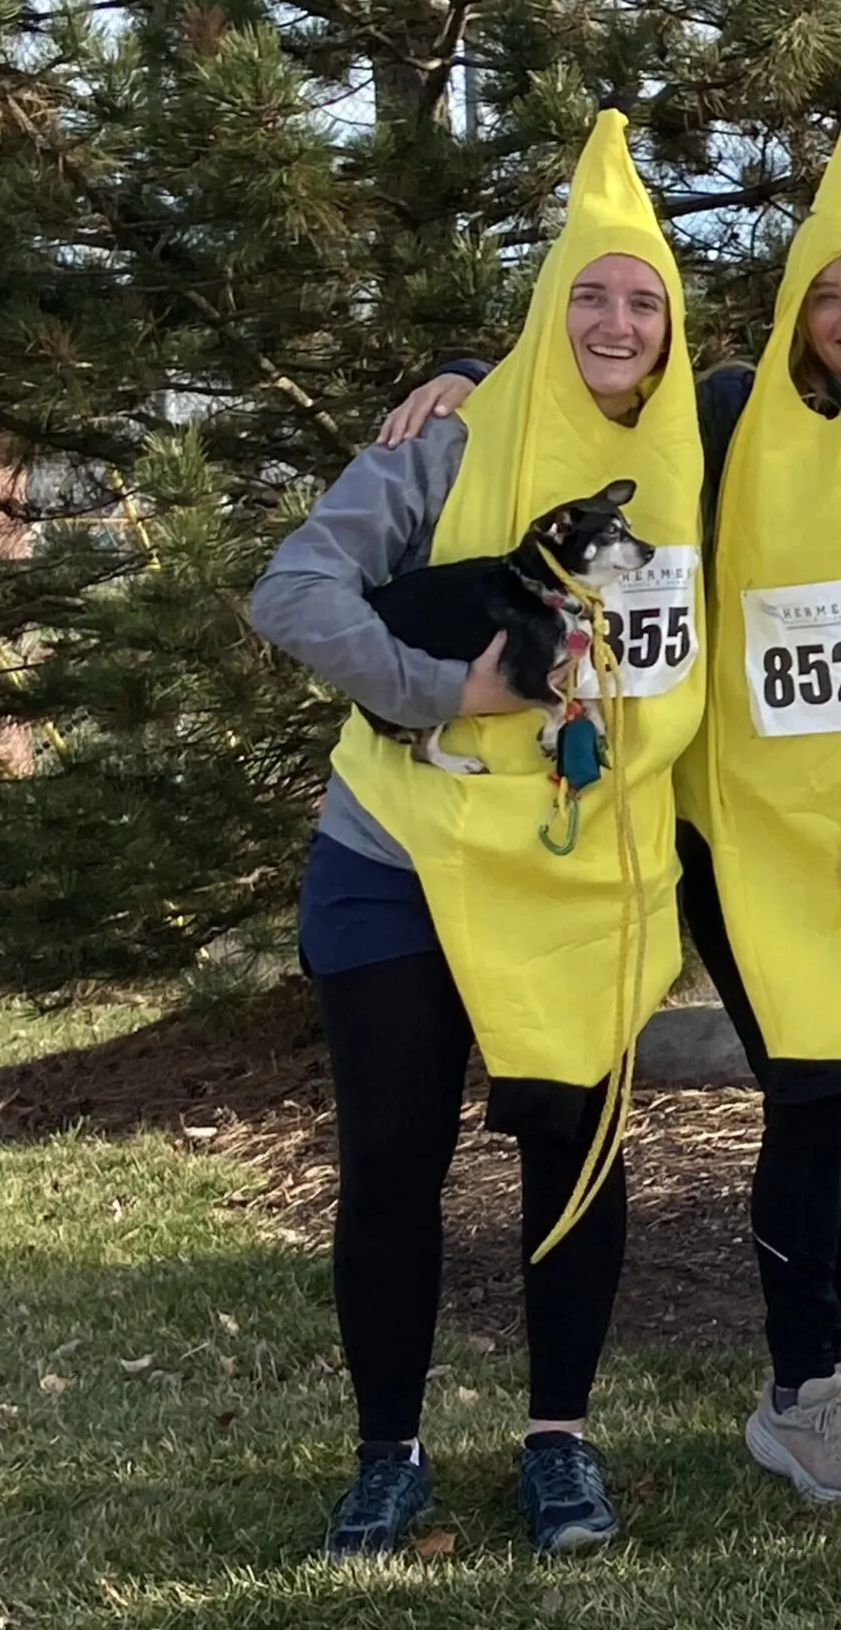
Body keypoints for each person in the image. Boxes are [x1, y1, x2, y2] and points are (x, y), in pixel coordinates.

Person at [382, 70, 841, 1504]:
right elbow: (598, 400)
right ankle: (806, 1383)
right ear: (797, 304)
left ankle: (812, 1379)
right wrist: (468, 361)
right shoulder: (729, 409)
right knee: (810, 1082)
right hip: (735, 829)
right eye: (835, 293)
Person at [250, 114, 706, 1558]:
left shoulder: (705, 449)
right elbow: (295, 590)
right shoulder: (448, 443)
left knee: (574, 1149)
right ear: (543, 308)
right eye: (588, 292)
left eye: (644, 299)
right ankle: (388, 1457)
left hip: (583, 870)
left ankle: (558, 1446)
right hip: (403, 854)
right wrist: (446, 686)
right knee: (392, 1157)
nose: (617, 323)